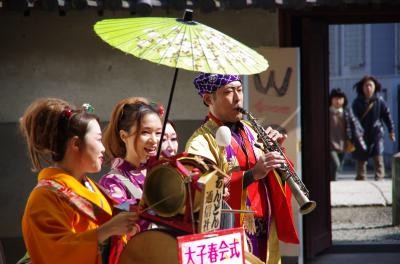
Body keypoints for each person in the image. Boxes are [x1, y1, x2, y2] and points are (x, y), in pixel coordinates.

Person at [185, 73, 299, 263]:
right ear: (208, 99)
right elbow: (203, 194)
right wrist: (253, 174)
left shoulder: (251, 129)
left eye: (239, 90)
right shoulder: (200, 142)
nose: (237, 97)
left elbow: (272, 176)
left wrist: (277, 150)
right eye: (229, 92)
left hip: (266, 225)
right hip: (230, 232)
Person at [20, 98, 138, 264]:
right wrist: (106, 231)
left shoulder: (91, 187)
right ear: (76, 144)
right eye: (98, 139)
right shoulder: (44, 197)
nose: (103, 148)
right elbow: (54, 253)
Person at [99, 97, 163, 209]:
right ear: (124, 136)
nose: (154, 140)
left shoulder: (162, 171)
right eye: (145, 132)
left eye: (158, 133)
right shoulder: (112, 181)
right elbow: (119, 221)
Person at [352, 75, 396, 181]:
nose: (368, 88)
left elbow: (387, 116)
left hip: (376, 132)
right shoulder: (357, 102)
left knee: (378, 153)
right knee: (361, 155)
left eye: (370, 85)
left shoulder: (379, 101)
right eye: (366, 85)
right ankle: (361, 176)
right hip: (361, 133)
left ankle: (380, 175)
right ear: (361, 88)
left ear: (375, 87)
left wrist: (391, 130)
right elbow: (353, 119)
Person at [329, 88, 366, 181]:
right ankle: (332, 182)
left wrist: (359, 139)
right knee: (335, 164)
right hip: (330, 145)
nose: (338, 101)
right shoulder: (327, 112)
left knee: (339, 167)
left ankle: (333, 183)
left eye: (340, 98)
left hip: (343, 145)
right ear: (331, 99)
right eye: (336, 98)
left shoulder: (346, 112)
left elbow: (355, 125)